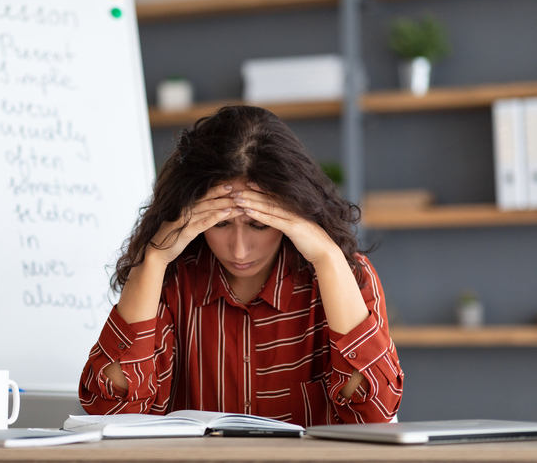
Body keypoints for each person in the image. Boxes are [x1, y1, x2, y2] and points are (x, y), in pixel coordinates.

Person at [79, 105, 403, 426]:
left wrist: (327, 257)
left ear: (295, 214)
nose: (239, 249)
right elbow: (111, 412)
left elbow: (373, 414)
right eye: (219, 224)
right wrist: (153, 259)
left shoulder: (347, 275)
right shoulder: (171, 280)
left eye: (259, 225)